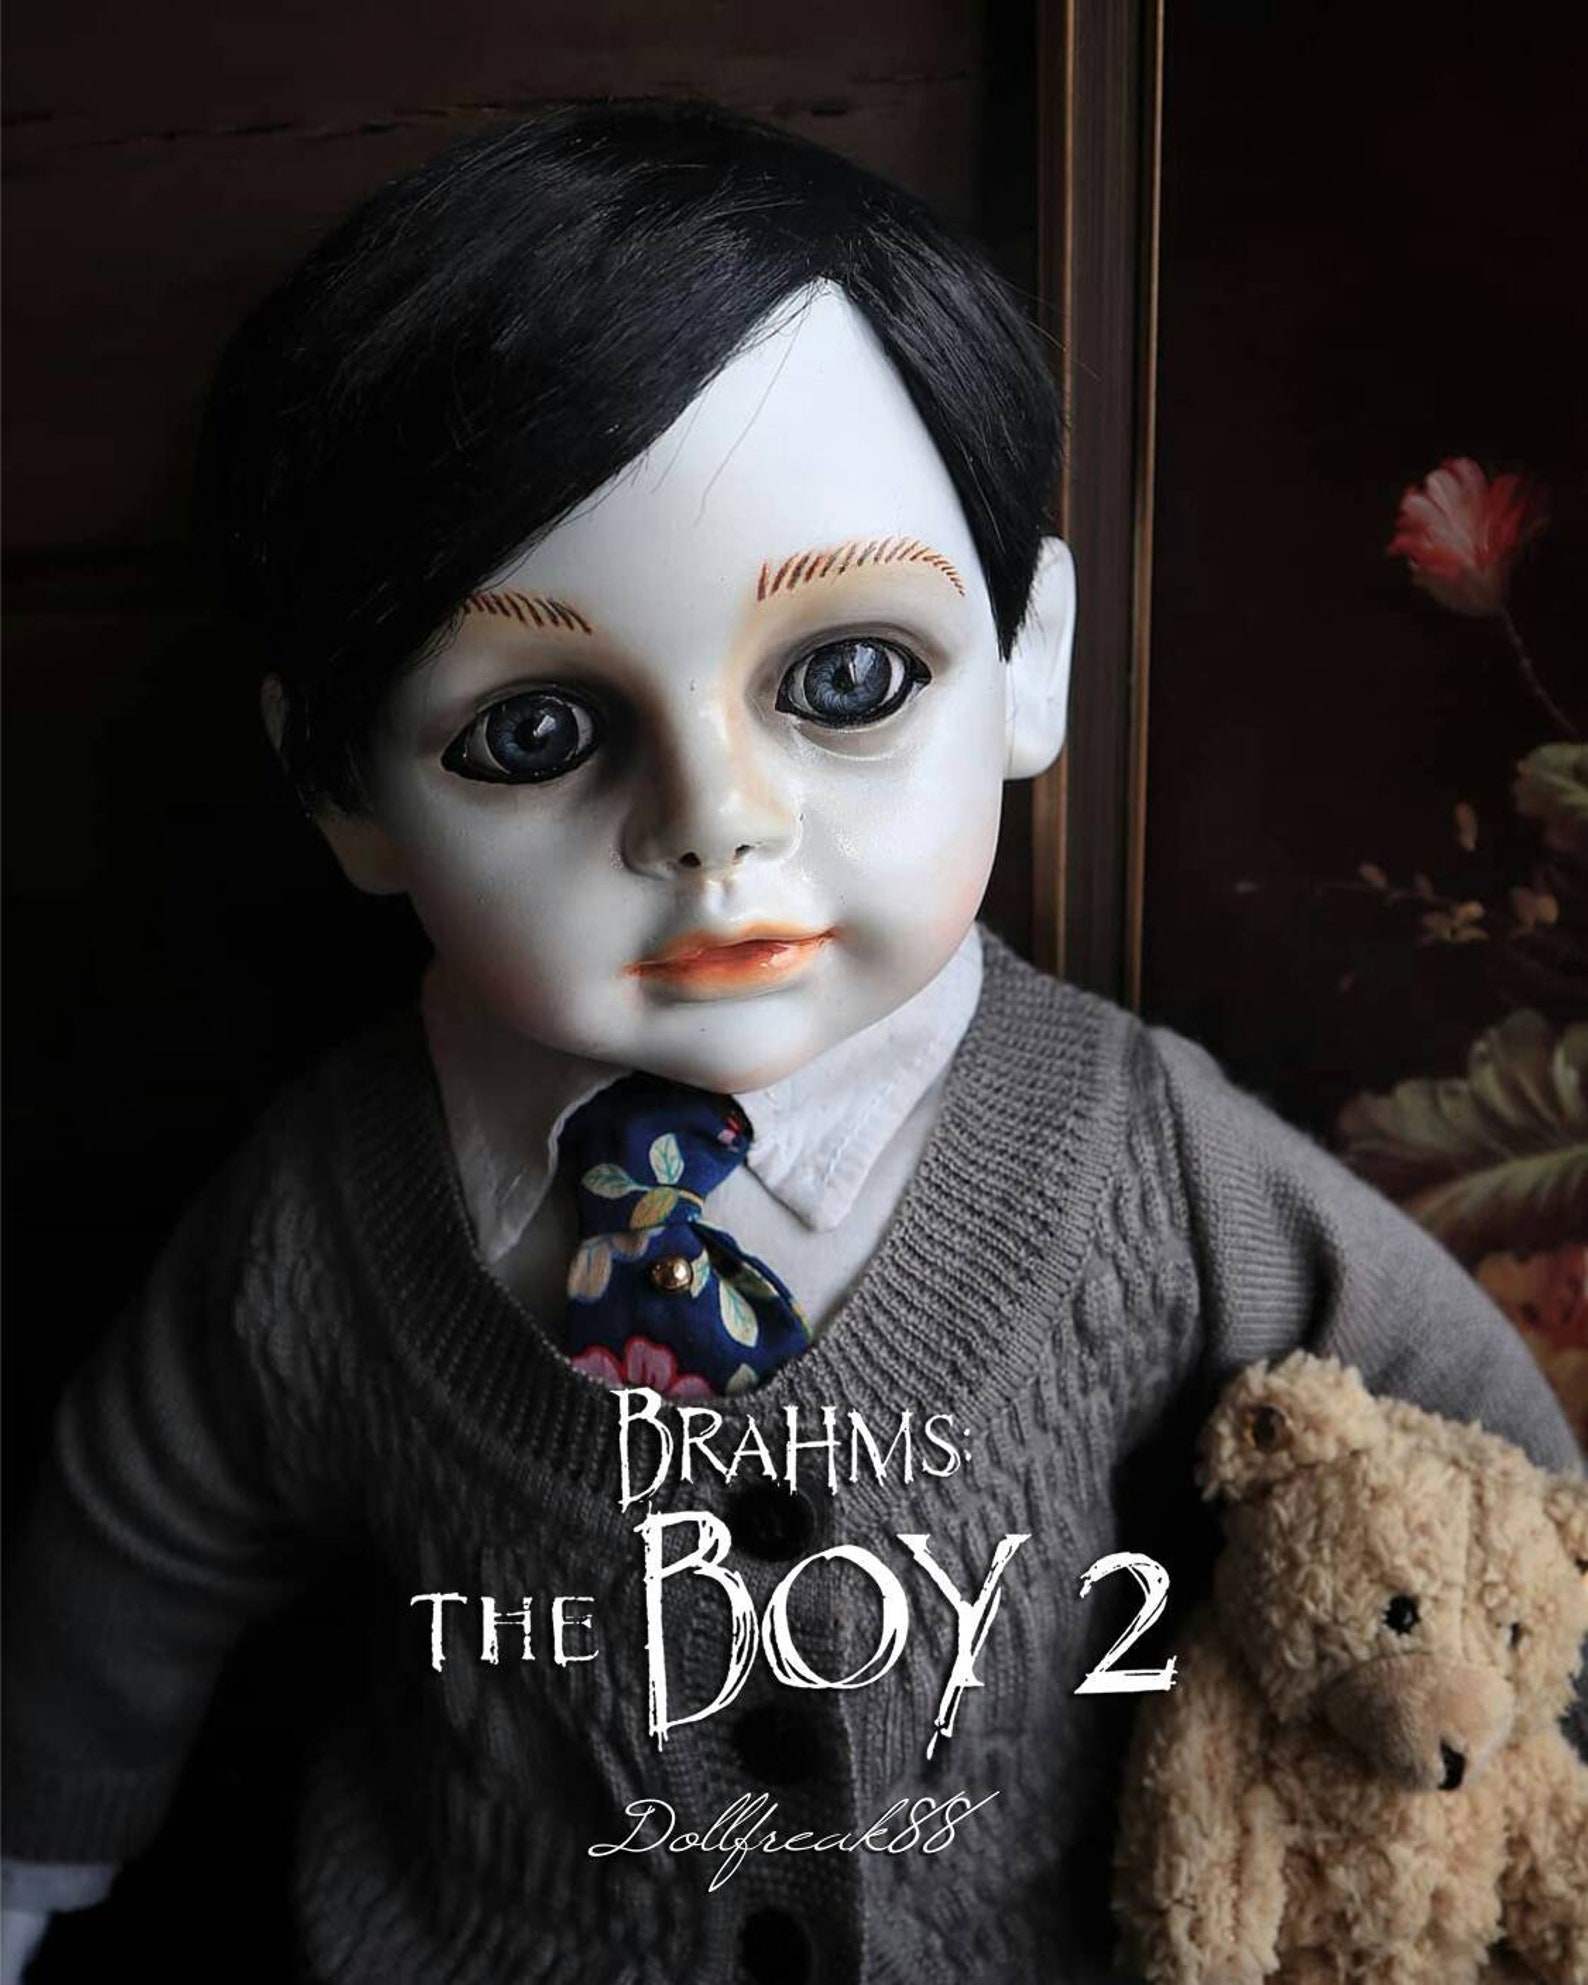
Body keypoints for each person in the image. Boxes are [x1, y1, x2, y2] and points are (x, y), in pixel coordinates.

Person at [2, 103, 1579, 1985]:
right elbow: (139, 1531)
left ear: (1028, 659)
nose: (716, 822)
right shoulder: (337, 1207)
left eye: (848, 678)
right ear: (343, 790)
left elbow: (1478, 1438)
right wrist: (37, 1842)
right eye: (533, 732)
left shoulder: (1147, 1161)